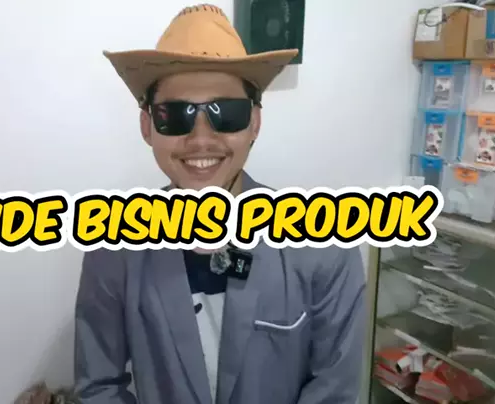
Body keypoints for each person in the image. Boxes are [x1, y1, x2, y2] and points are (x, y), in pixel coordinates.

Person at [74, 4, 367, 404]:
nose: (200, 140)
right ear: (147, 126)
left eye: (226, 113)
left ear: (255, 123)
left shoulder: (325, 248)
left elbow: (334, 393)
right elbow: (98, 388)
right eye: (175, 115)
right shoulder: (113, 251)